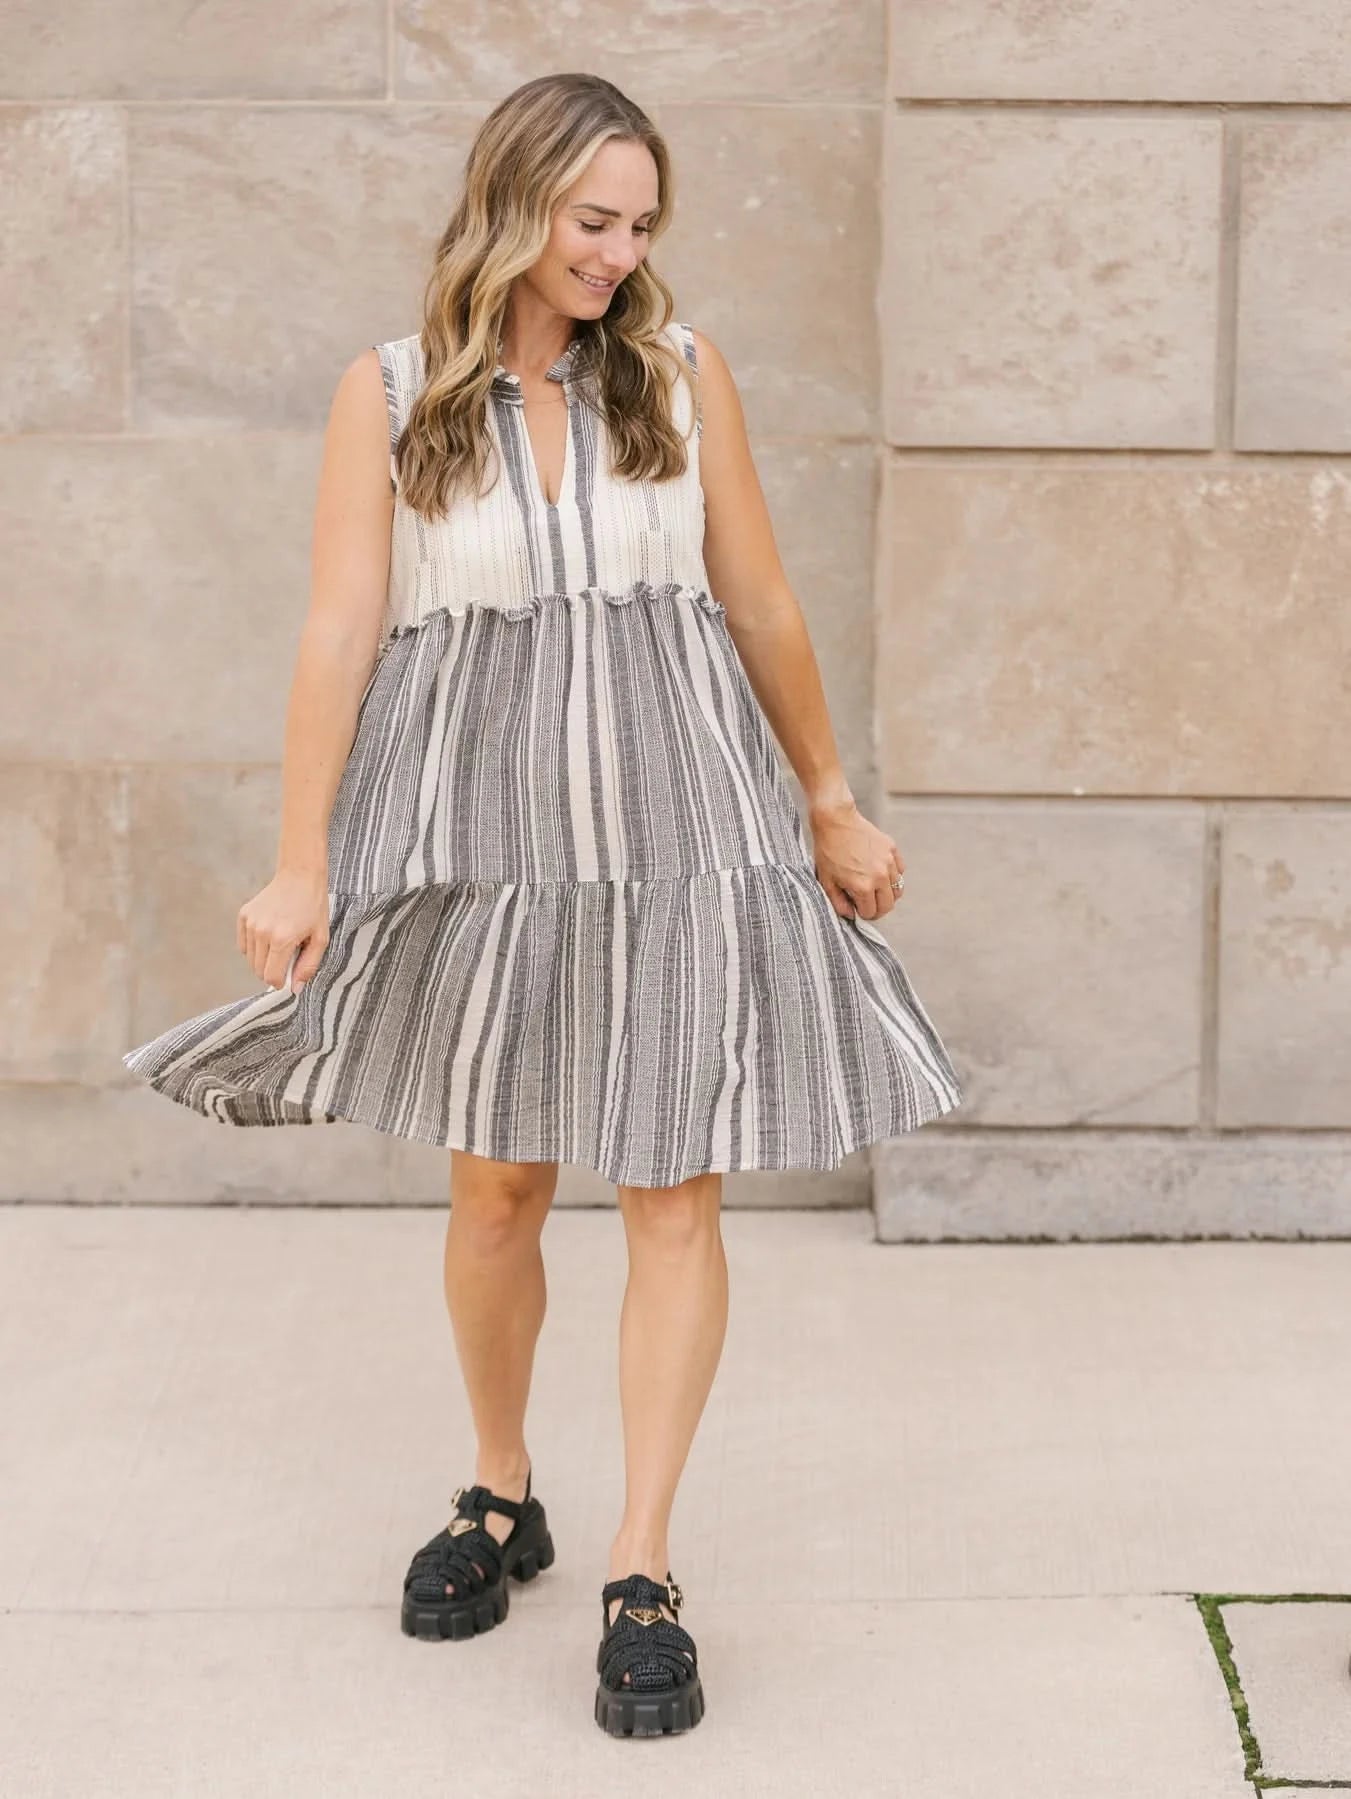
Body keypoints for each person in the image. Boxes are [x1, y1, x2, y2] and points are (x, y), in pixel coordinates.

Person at [122, 71, 964, 1738]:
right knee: (500, 1185)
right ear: (513, 203)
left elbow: (761, 599)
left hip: (686, 823)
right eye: (594, 220)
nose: (620, 252)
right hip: (477, 827)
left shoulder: (676, 367)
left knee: (670, 1189)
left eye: (642, 224)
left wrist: (829, 798)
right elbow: (338, 632)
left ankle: (644, 1562)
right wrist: (303, 857)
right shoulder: (387, 396)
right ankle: (503, 1489)